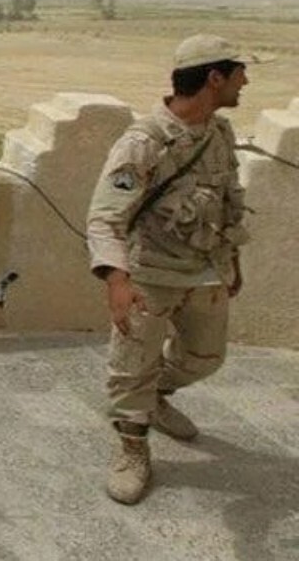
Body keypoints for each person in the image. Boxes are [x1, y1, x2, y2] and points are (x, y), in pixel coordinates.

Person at [86, 34, 261, 505]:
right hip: (150, 275)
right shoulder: (144, 143)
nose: (245, 82)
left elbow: (227, 201)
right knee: (131, 367)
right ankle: (132, 449)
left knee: (206, 357)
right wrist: (117, 280)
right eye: (239, 73)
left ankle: (153, 396)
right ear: (214, 77)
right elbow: (104, 217)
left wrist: (233, 261)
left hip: (206, 271)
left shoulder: (219, 133)